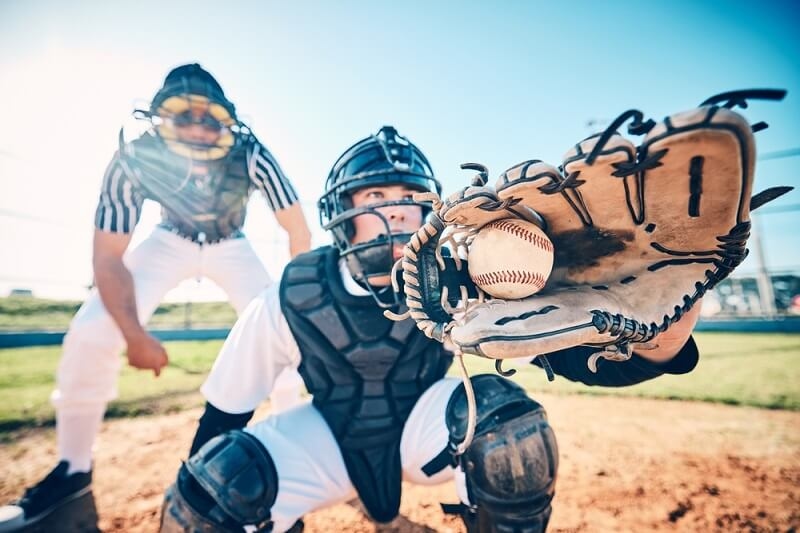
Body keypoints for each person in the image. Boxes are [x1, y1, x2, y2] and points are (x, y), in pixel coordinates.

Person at [158, 126, 703, 533]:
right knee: (219, 483)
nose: (397, 215)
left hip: (426, 435)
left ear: (433, 215)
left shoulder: (458, 280)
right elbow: (225, 415)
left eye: (413, 202)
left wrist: (665, 334)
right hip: (327, 438)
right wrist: (215, 501)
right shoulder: (293, 293)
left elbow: (576, 358)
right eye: (375, 199)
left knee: (506, 428)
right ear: (341, 215)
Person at [0, 63, 310, 531]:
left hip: (231, 244)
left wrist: (296, 303)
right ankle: (73, 471)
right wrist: (133, 334)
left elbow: (296, 230)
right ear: (159, 118)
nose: (198, 128)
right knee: (89, 332)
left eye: (210, 118)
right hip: (170, 239)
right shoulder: (136, 157)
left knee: (285, 340)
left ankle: (294, 463)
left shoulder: (250, 153)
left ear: (228, 122)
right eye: (184, 116)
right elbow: (108, 256)